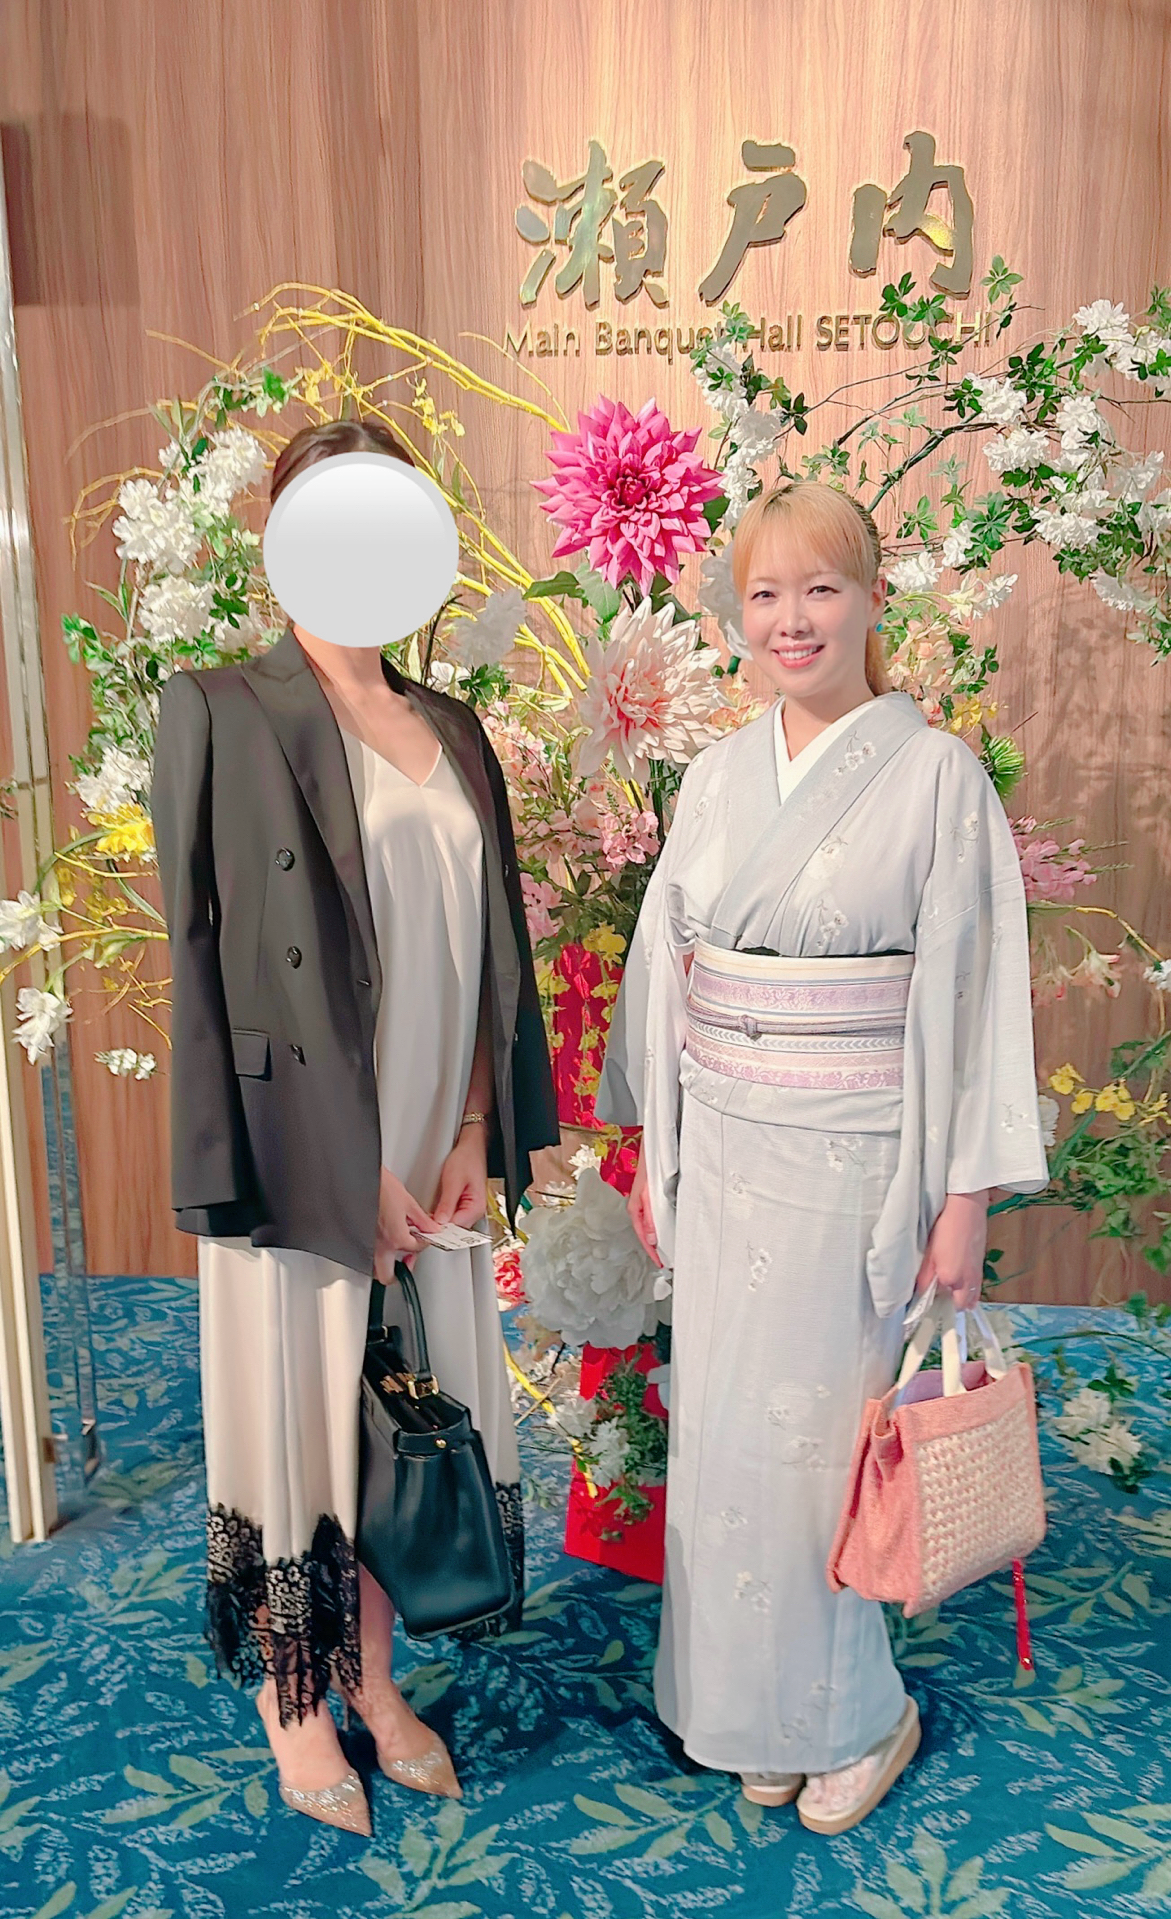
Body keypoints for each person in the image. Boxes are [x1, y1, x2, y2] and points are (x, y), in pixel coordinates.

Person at [597, 480, 1047, 1835]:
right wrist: (661, 1158)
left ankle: (856, 1714)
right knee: (727, 1442)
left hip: (859, 1168)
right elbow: (667, 979)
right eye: (765, 595)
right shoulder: (716, 778)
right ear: (738, 617)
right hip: (725, 1148)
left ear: (870, 602)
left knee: (826, 1449)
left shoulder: (935, 775)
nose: (791, 620)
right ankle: (750, 1712)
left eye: (819, 589)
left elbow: (974, 994)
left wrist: (962, 1197)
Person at [151, 418, 559, 1835]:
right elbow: (203, 967)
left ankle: (376, 1683)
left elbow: (492, 947)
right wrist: (342, 1169)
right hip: (302, 1163)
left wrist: (475, 1127)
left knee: (403, 1414)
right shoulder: (220, 709)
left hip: (434, 1149)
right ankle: (298, 1705)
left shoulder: (452, 729)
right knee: (307, 1423)